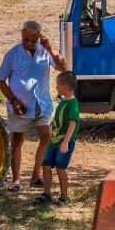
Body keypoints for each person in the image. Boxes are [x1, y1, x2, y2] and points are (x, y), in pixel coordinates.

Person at [0, 20, 68, 191]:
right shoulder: (13, 54)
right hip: (19, 106)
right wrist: (13, 100)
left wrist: (49, 48)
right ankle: (16, 179)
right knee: (17, 141)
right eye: (26, 39)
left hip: (42, 104)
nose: (29, 43)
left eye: (33, 40)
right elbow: (1, 81)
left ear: (39, 37)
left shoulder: (45, 51)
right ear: (21, 34)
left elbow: (64, 68)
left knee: (46, 137)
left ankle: (36, 176)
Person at [35, 71, 80, 207]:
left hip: (64, 142)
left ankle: (64, 197)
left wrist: (66, 141)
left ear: (64, 87)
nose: (56, 88)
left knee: (60, 168)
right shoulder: (63, 101)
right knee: (46, 165)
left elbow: (73, 123)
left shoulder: (73, 104)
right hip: (54, 141)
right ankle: (47, 193)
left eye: (57, 85)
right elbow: (60, 119)